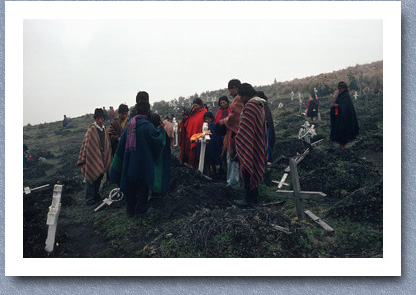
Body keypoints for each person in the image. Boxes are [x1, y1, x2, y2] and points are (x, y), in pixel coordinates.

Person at [109, 100, 164, 217]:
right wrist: (161, 131)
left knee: (130, 187)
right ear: (148, 111)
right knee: (142, 187)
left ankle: (130, 211)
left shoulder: (130, 124)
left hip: (129, 163)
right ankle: (141, 210)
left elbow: (121, 145)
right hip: (143, 164)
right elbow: (157, 142)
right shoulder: (148, 126)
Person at [234, 83, 268, 207]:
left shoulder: (251, 106)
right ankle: (254, 198)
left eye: (241, 96)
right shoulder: (259, 105)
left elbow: (245, 129)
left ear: (246, 94)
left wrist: (238, 140)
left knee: (248, 168)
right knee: (254, 168)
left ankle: (248, 199)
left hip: (249, 143)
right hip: (257, 143)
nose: (241, 99)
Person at [77, 108, 112, 205]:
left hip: (102, 156)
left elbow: (106, 144)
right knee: (91, 178)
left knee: (99, 177)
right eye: (98, 119)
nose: (100, 120)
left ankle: (96, 195)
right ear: (95, 119)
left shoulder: (104, 129)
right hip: (93, 157)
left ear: (104, 118)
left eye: (101, 118)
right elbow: (88, 145)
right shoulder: (91, 130)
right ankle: (89, 199)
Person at [218, 79, 243, 188]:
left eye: (230, 89)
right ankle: (233, 182)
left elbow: (234, 118)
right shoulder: (239, 99)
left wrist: (223, 122)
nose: (230, 93)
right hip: (233, 135)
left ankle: (234, 183)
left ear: (235, 88)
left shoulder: (238, 100)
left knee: (234, 159)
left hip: (234, 135)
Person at [330, 81, 359, 149]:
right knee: (339, 131)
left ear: (344, 88)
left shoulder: (346, 96)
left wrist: (338, 106)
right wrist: (334, 106)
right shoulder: (340, 95)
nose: (339, 90)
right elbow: (339, 103)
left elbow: (345, 107)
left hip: (345, 119)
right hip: (340, 117)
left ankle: (343, 146)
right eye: (339, 88)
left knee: (343, 132)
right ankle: (341, 146)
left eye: (341, 88)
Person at [150, 113, 172, 195]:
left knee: (156, 176)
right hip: (164, 158)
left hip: (156, 160)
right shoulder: (162, 132)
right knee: (163, 175)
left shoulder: (152, 133)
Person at [196, 111, 222, 176]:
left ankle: (216, 173)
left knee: (213, 160)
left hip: (214, 146)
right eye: (205, 119)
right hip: (207, 146)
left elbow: (218, 137)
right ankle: (208, 173)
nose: (207, 120)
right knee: (207, 160)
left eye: (208, 119)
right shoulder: (204, 126)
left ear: (212, 118)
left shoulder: (215, 126)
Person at [184, 98, 207, 169]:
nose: (195, 107)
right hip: (191, 135)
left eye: (196, 105)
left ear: (200, 105)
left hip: (199, 136)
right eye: (194, 106)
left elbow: (200, 123)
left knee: (197, 154)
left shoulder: (204, 112)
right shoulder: (193, 113)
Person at [256, 91, 276, 163]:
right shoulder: (260, 105)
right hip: (262, 128)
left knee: (267, 145)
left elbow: (267, 118)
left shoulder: (264, 105)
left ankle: (268, 160)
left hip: (266, 128)